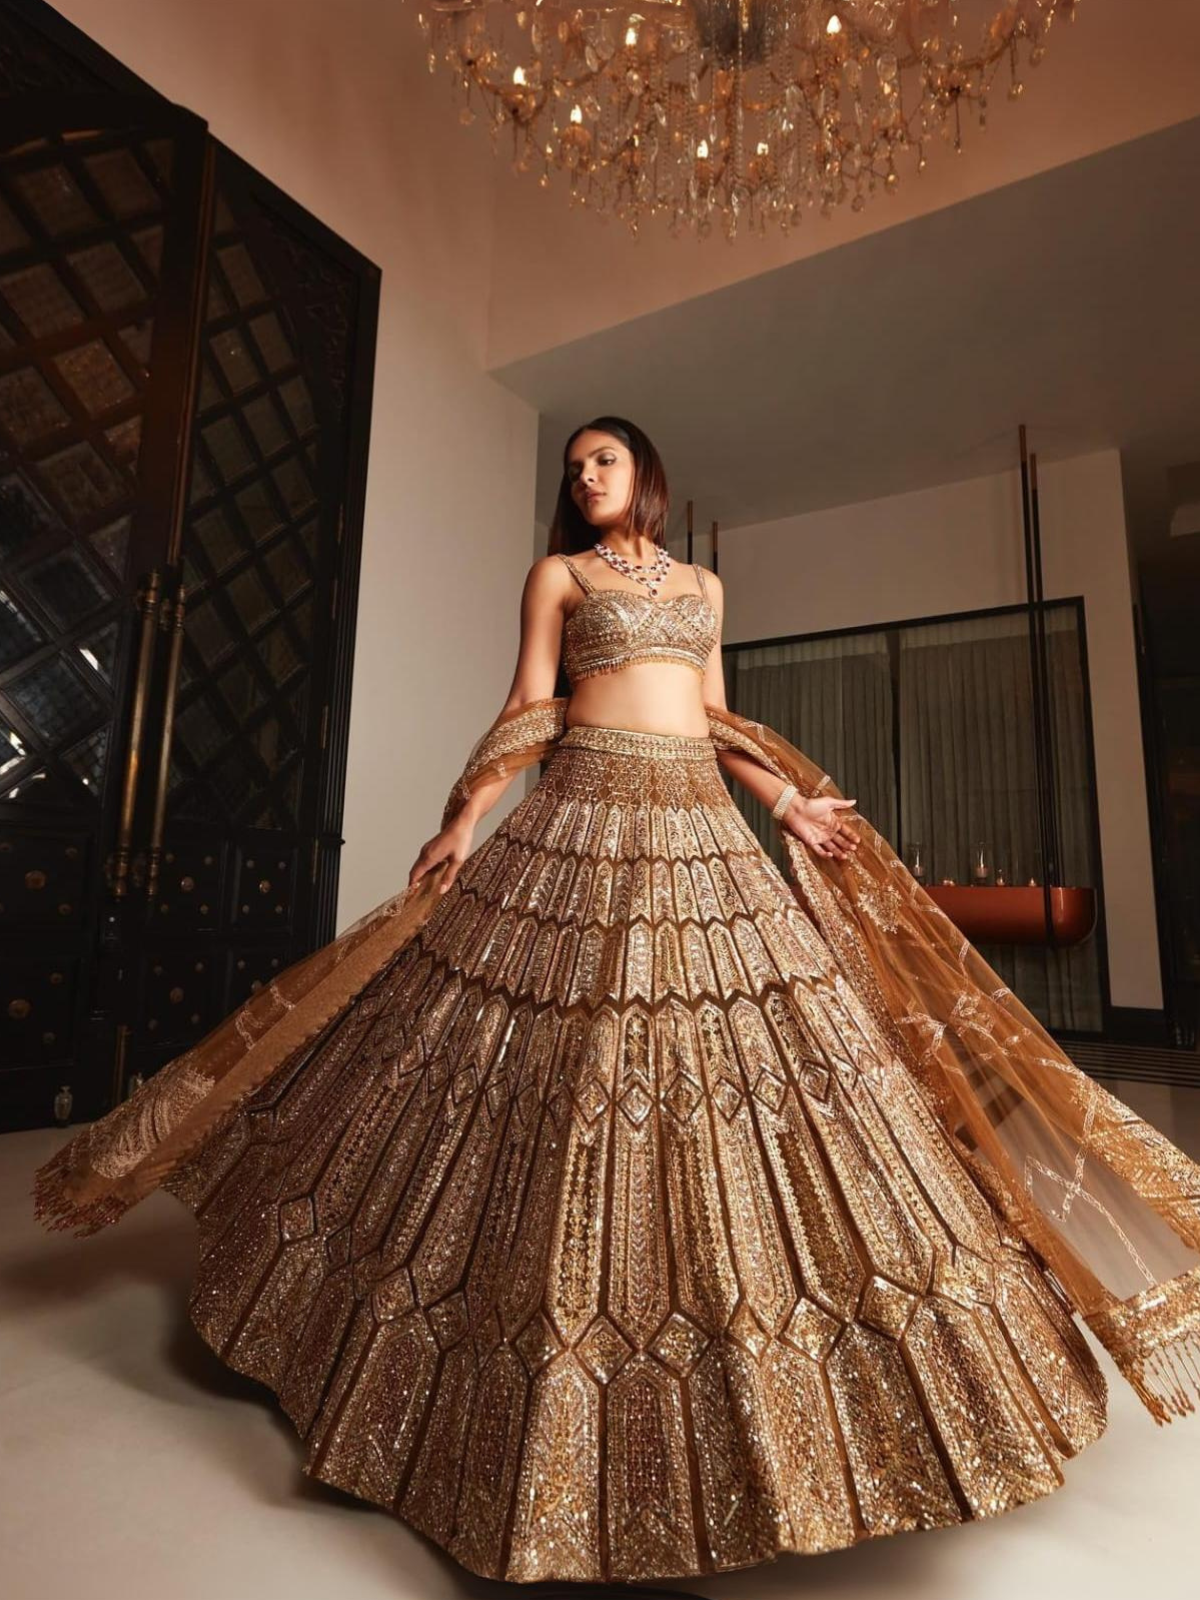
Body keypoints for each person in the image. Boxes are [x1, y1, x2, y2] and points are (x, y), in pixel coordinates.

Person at [33, 417, 1200, 1587]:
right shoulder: (558, 576)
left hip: (701, 825)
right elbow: (529, 702)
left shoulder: (704, 588)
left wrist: (787, 805)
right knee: (550, 1058)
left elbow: (716, 718)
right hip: (580, 815)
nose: (584, 475)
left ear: (647, 474)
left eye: (603, 459)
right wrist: (465, 818)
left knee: (760, 1067)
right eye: (574, 465)